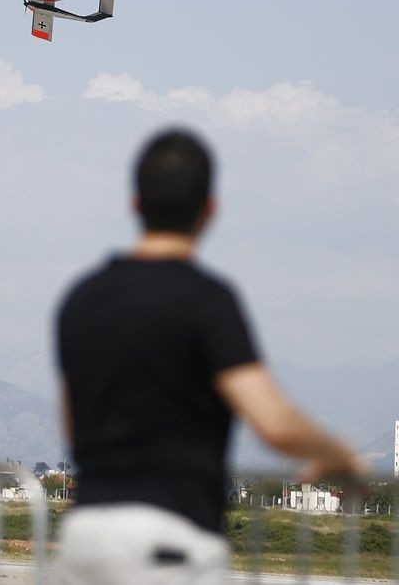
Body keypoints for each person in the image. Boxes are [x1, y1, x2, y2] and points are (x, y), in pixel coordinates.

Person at [54, 129, 364, 585]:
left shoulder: (81, 300)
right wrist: (341, 455)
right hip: (170, 544)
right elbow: (274, 423)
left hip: (84, 542)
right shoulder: (207, 301)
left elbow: (75, 428)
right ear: (210, 210)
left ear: (135, 204)